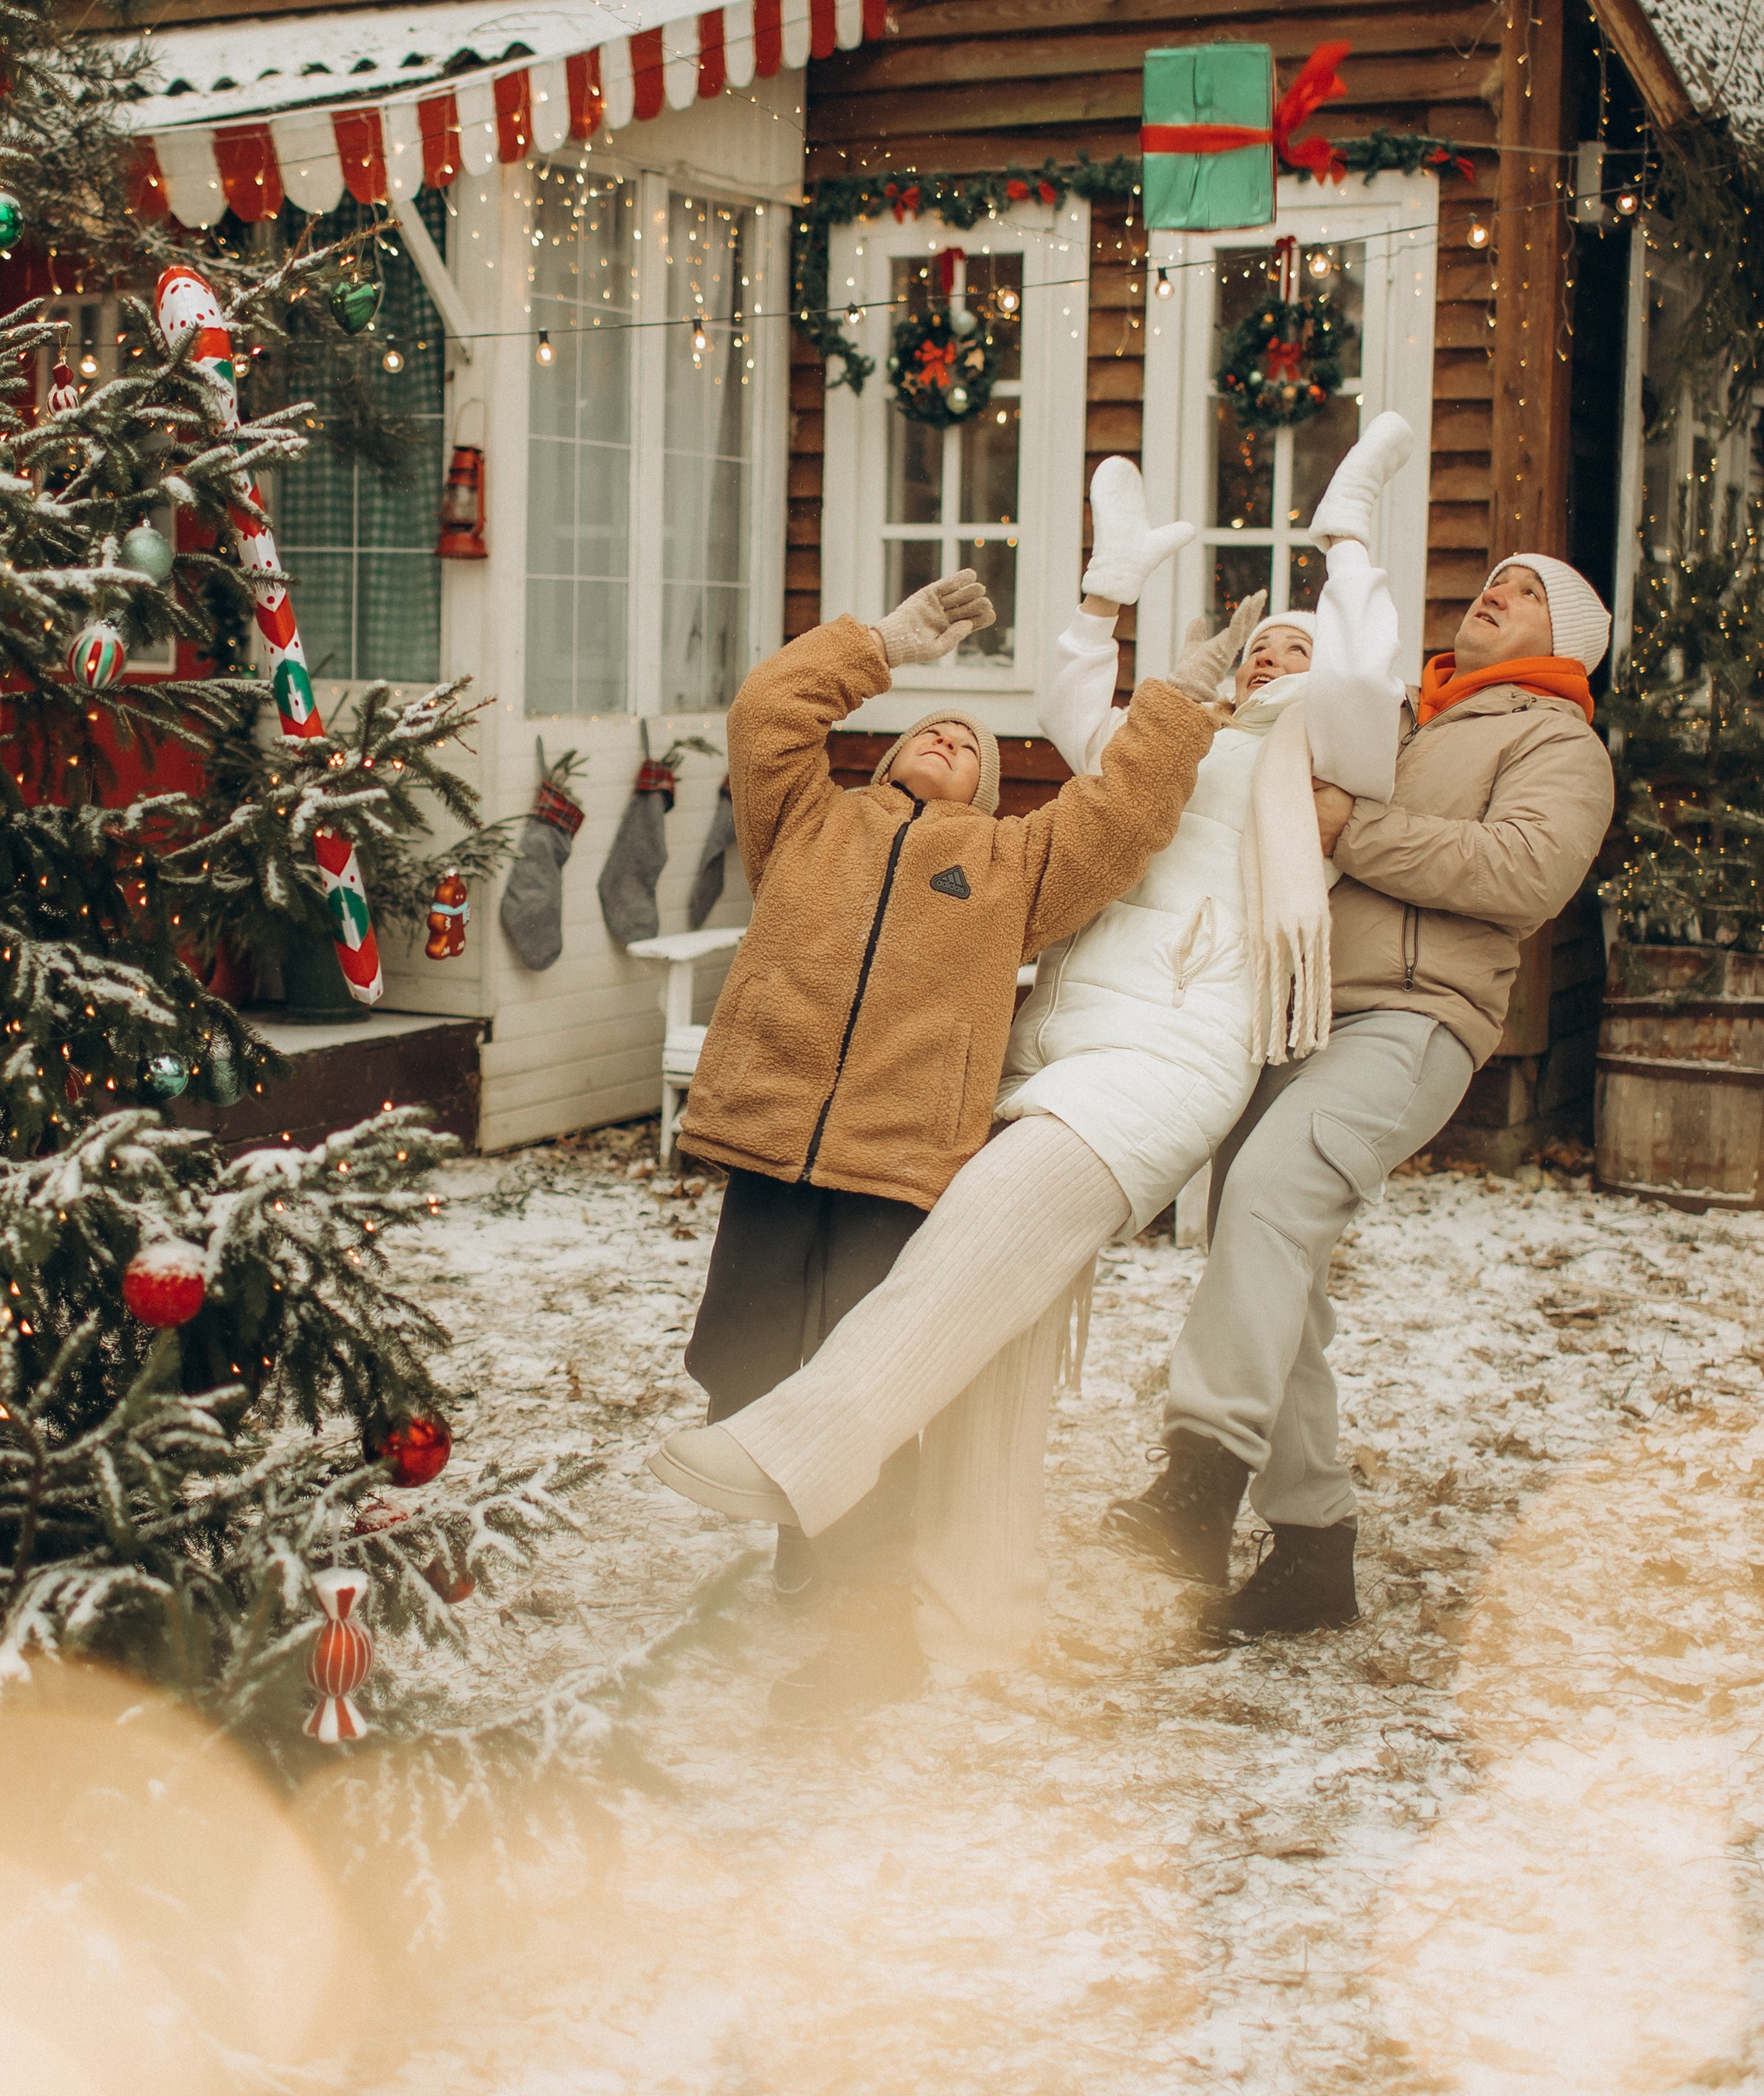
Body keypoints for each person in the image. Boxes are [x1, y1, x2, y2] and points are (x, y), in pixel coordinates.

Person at [651, 415, 1414, 1677]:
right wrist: (1100, 606)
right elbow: (1071, 714)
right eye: (1259, 646)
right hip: (1020, 1056)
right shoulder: (856, 816)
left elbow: (1308, 702)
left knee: (979, 1235)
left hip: (1166, 1048)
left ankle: (815, 1444)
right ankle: (975, 1613)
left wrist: (1343, 545)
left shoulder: (1328, 753)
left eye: (1297, 646)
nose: (1275, 658)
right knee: (994, 1337)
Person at [659, 563, 1221, 1721]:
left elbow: (1121, 814)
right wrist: (889, 643)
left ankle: (873, 1630)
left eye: (973, 742)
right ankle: (808, 1561)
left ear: (990, 790)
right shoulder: (805, 823)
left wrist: (1180, 702)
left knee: (860, 1385)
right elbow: (771, 710)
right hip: (771, 1143)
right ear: (883, 755)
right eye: (933, 729)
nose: (953, 737)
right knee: (746, 1361)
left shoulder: (1015, 866)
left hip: (899, 1166)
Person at [1104, 538, 1616, 1638]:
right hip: (1294, 1005)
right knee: (1267, 1252)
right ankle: (1310, 1552)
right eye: (1498, 579)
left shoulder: (1556, 743)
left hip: (1416, 1014)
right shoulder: (1398, 714)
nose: (1499, 593)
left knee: (1276, 1191)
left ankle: (1201, 1481)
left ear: (1565, 646)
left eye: (1529, 594)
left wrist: (1360, 827)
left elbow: (1523, 876)